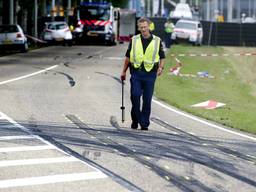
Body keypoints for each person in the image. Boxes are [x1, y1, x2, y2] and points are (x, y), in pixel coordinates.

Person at [120, 17, 165, 131]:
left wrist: (161, 67)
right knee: (135, 96)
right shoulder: (134, 40)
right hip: (136, 73)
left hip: (150, 74)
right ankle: (136, 119)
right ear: (138, 28)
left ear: (149, 26)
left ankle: (144, 123)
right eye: (141, 28)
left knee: (147, 100)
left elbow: (162, 57)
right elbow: (128, 57)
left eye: (145, 27)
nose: (143, 29)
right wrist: (124, 71)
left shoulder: (157, 41)